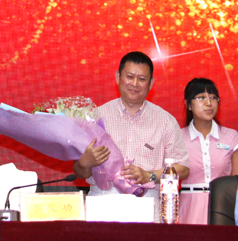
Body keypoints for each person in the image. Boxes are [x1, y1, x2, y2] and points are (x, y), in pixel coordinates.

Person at [73, 51, 190, 221]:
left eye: (142, 79)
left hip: (146, 204)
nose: (135, 84)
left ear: (151, 83)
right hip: (102, 203)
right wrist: (84, 163)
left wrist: (150, 175)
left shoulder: (165, 121)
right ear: (118, 77)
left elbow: (183, 168)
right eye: (129, 77)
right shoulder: (95, 117)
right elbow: (79, 172)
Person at [179, 78, 238, 225]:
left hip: (223, 206)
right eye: (201, 97)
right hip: (189, 207)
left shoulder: (231, 136)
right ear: (188, 105)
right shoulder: (178, 137)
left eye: (213, 98)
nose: (209, 103)